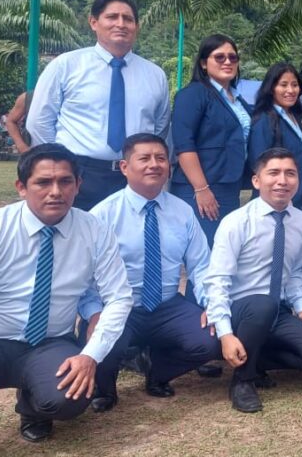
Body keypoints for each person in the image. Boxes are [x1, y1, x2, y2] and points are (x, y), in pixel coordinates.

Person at [0, 144, 132, 454]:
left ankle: (33, 408)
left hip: (48, 341)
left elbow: (119, 297)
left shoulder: (95, 231)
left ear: (78, 185)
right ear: (21, 187)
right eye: (43, 182)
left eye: (65, 181)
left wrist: (90, 355)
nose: (55, 192)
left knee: (70, 396)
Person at [80, 133, 219, 412]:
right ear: (124, 167)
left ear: (169, 166)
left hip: (167, 305)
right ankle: (105, 388)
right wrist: (94, 313)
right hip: (118, 306)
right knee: (99, 338)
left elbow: (201, 266)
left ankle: (159, 371)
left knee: (212, 339)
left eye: (160, 158)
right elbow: (84, 276)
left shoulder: (183, 211)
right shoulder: (102, 215)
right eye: (144, 158)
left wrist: (212, 305)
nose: (154, 164)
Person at [202, 148, 302, 413]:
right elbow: (217, 279)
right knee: (262, 305)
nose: (282, 181)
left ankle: (256, 358)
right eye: (273, 173)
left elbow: (294, 272)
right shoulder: (236, 222)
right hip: (241, 311)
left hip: (277, 311)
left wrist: (301, 310)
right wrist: (225, 333)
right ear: (256, 180)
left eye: (290, 174)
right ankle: (243, 380)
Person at [27, 0, 170, 210]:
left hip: (134, 177)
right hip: (80, 174)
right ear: (94, 22)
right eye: (112, 17)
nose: (120, 24)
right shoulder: (66, 66)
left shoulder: (155, 75)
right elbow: (39, 122)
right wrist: (60, 163)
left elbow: (160, 127)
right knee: (76, 231)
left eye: (128, 19)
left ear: (137, 26)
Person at [171, 34, 252, 246]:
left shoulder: (238, 100)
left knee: (223, 251)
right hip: (200, 187)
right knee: (203, 253)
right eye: (219, 57)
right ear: (203, 64)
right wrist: (201, 189)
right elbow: (184, 144)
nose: (227, 62)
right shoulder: (192, 94)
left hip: (229, 186)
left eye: (232, 57)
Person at [249, 62, 302, 213]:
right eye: (283, 85)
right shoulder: (265, 119)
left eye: (294, 85)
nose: (290, 90)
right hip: (274, 200)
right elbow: (258, 161)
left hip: (297, 196)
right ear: (271, 88)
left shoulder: (295, 117)